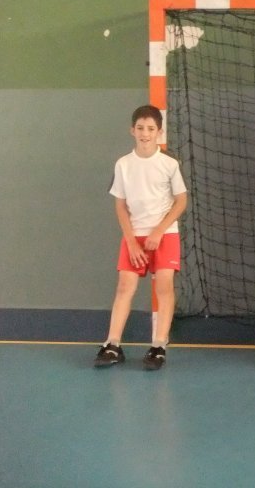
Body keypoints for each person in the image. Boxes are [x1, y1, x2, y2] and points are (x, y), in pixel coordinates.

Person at [94, 105, 188, 371]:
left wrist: (158, 231)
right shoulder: (123, 164)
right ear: (132, 130)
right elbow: (120, 205)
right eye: (140, 128)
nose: (145, 133)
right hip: (134, 235)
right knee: (125, 287)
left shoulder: (169, 164)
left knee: (164, 287)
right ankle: (112, 344)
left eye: (150, 129)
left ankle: (158, 346)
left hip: (165, 235)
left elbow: (181, 201)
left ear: (159, 132)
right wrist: (132, 241)